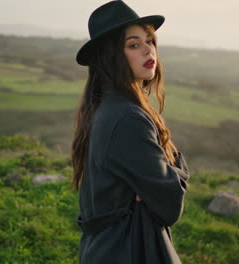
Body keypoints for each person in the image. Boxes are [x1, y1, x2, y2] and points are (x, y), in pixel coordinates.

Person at [71, 1, 190, 263]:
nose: (149, 49)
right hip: (129, 251)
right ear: (110, 56)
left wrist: (151, 187)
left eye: (150, 41)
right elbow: (170, 206)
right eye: (134, 44)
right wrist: (177, 166)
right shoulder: (128, 119)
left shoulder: (104, 107)